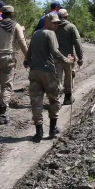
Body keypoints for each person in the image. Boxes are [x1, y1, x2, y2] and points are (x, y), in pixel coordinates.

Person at [25, 13, 72, 142]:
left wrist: (27, 61)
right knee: (54, 99)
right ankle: (52, 128)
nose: (56, 25)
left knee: (36, 101)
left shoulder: (35, 34)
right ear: (47, 22)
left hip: (34, 71)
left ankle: (38, 132)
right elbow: (55, 52)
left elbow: (29, 52)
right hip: (48, 71)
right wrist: (67, 61)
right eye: (54, 23)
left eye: (57, 23)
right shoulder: (50, 34)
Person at [55, 9, 84, 105]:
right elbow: (77, 43)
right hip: (68, 57)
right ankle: (67, 98)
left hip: (56, 57)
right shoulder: (71, 27)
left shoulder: (53, 27)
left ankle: (56, 100)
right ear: (66, 17)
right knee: (69, 77)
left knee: (57, 78)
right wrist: (80, 57)